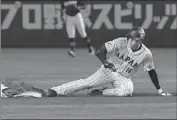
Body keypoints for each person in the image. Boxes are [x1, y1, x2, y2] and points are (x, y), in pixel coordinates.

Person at [1, 27, 172, 98]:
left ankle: (102, 92)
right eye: (130, 37)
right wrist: (105, 62)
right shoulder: (121, 41)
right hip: (108, 70)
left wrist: (160, 90)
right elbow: (100, 50)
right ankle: (53, 91)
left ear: (140, 40)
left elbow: (151, 71)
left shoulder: (146, 54)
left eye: (133, 39)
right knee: (86, 83)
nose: (130, 40)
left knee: (126, 92)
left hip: (124, 77)